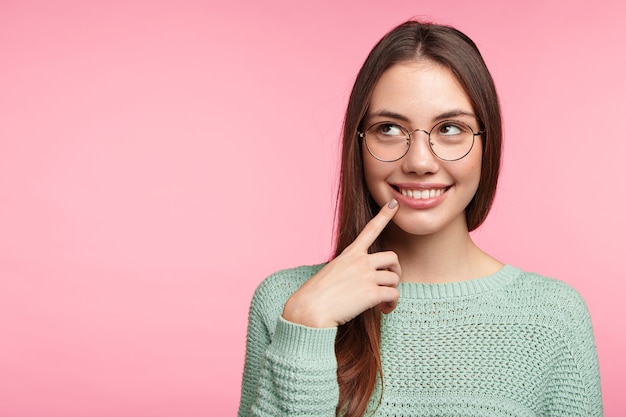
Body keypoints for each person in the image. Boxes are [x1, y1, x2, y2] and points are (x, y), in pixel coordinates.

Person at [237, 20, 603, 417]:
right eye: (389, 128)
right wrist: (305, 329)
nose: (419, 162)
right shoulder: (285, 301)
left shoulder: (553, 316)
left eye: (449, 128)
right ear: (358, 144)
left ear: (488, 142)